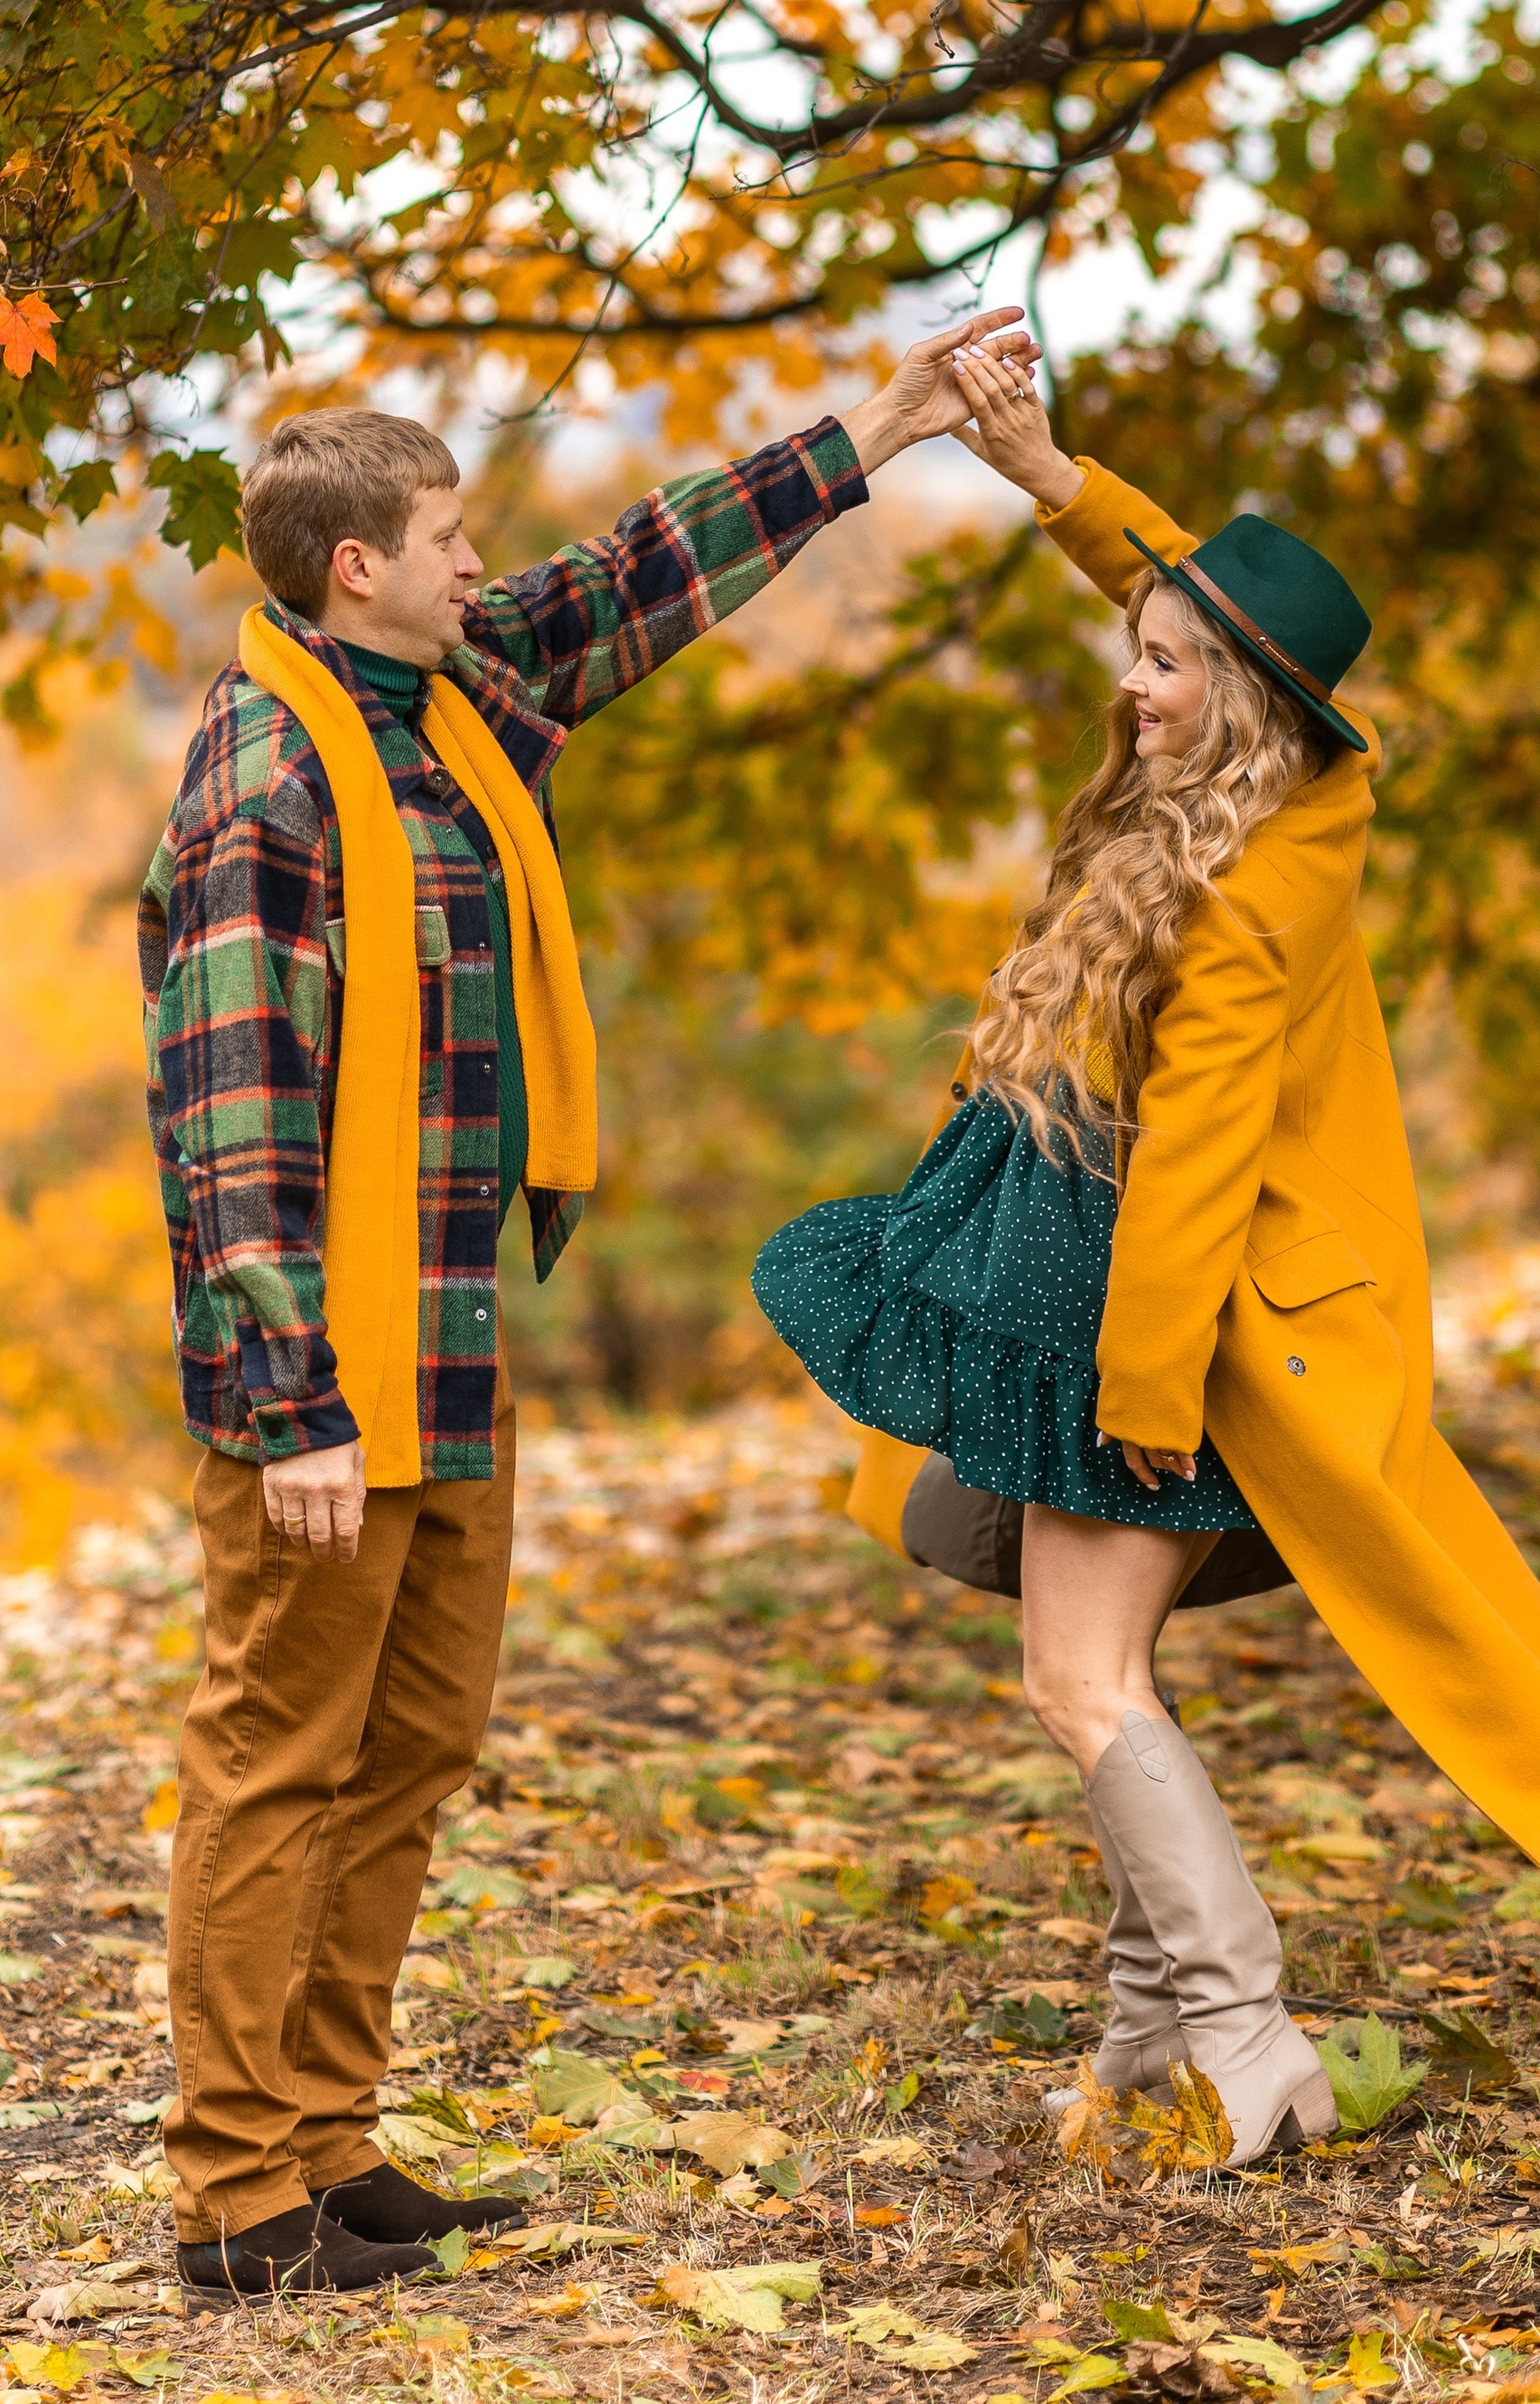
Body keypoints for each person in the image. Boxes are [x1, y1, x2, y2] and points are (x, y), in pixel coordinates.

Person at [137, 317, 1029, 2297]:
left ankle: (327, 2139)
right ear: (353, 565)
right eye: (449, 535)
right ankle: (229, 2192)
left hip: (451, 1328)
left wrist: (882, 422)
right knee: (280, 1752)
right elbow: (230, 1121)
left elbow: (640, 571)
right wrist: (291, 1402)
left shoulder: (448, 701)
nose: (483, 562)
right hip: (331, 1367)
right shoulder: (264, 785)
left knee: (415, 1741)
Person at [755, 343, 1540, 2166]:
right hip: (1083, 1277)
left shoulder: (1259, 877)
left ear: (1237, 699)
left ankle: (1242, 2045)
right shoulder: (1261, 784)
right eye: (1136, 646)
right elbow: (1184, 591)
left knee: (1077, 1684)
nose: (1127, 679)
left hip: (1157, 1314)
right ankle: (1141, 2052)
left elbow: (1201, 1147)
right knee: (1095, 1681)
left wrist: (1144, 1387)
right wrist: (1049, 476)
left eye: (1161, 664)